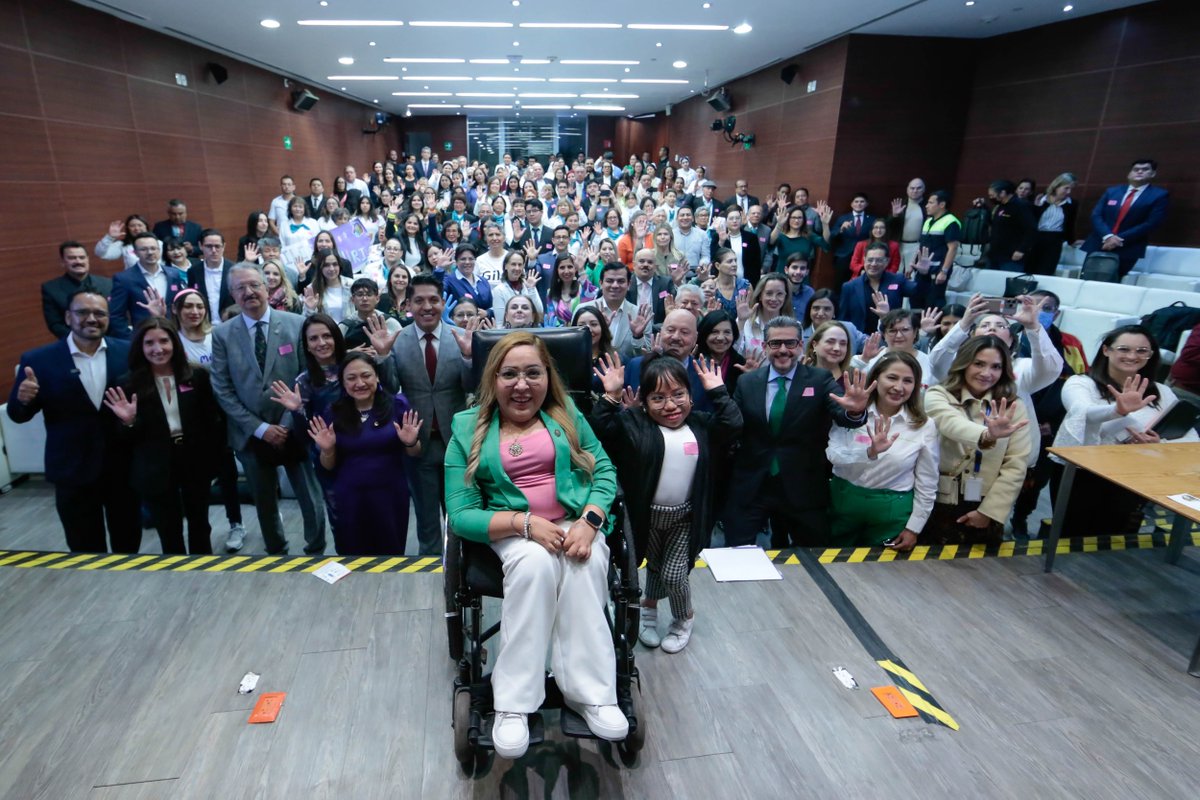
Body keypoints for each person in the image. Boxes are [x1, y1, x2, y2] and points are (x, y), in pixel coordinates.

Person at [444, 332, 626, 759]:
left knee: (586, 563)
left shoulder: (567, 415)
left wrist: (590, 521)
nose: (521, 385)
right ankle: (513, 704)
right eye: (510, 374)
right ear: (493, 379)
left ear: (548, 377)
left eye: (532, 373)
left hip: (574, 521)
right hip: (513, 529)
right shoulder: (466, 428)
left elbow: (604, 471)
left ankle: (592, 694)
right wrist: (525, 524)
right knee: (534, 566)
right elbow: (462, 513)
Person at [591, 353, 743, 653]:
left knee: (674, 574)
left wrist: (718, 391)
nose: (671, 405)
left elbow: (733, 424)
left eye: (678, 395)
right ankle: (649, 606)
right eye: (658, 398)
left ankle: (684, 617)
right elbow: (598, 429)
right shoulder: (634, 422)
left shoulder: (701, 424)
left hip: (685, 518)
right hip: (645, 518)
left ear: (690, 395)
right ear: (644, 402)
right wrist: (610, 396)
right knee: (656, 568)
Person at [7, 290, 140, 552]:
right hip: (72, 469)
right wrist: (23, 399)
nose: (91, 319)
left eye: (99, 313)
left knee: (128, 542)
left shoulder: (127, 353)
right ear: (68, 317)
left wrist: (132, 421)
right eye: (82, 312)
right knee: (84, 548)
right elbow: (17, 415)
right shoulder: (38, 360)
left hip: (122, 467)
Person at [723, 316, 872, 548]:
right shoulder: (747, 382)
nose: (783, 350)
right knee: (737, 553)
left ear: (800, 346)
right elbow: (731, 427)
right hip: (753, 485)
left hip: (803, 486)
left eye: (790, 343)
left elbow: (843, 416)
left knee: (813, 558)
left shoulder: (820, 379)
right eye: (775, 344)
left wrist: (855, 412)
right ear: (765, 347)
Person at [210, 263, 327, 555]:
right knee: (264, 500)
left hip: (293, 428)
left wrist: (287, 423)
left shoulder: (295, 323)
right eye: (240, 288)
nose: (249, 292)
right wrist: (260, 429)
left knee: (310, 498)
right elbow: (222, 389)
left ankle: (315, 548)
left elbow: (306, 377)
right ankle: (276, 551)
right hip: (250, 433)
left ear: (267, 287)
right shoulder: (222, 334)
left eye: (254, 285)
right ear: (232, 295)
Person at [1052, 324, 1199, 538]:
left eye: (1142, 351)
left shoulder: (1162, 391)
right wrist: (1117, 410)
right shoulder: (1081, 383)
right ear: (1106, 350)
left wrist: (1159, 445)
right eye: (1123, 349)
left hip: (1135, 474)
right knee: (1073, 532)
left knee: (1115, 533)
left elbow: (1189, 438)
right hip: (1082, 475)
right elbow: (1083, 413)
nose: (1132, 356)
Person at [367, 273, 477, 555]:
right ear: (408, 305)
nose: (427, 307)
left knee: (462, 514)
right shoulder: (398, 340)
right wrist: (381, 357)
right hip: (417, 443)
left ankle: (463, 569)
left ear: (443, 303)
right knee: (427, 519)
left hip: (458, 443)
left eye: (433, 300)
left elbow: (471, 387)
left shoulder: (459, 337)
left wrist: (468, 358)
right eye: (419, 301)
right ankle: (429, 574)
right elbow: (390, 388)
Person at [103, 318, 223, 555]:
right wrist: (128, 422)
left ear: (174, 343)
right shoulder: (127, 384)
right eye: (149, 343)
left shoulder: (197, 376)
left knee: (200, 522)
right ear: (140, 347)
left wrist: (214, 461)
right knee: (168, 528)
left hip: (194, 459)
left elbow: (213, 422)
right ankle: (175, 575)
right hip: (154, 464)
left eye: (164, 341)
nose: (158, 349)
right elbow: (121, 439)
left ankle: (204, 570)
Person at [306, 354, 422, 555]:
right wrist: (327, 449)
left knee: (391, 555)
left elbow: (414, 452)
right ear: (343, 382)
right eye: (351, 378)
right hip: (350, 498)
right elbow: (328, 465)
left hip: (390, 496)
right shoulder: (333, 412)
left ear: (377, 377)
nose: (359, 383)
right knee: (352, 556)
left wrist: (410, 441)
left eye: (366, 375)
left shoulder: (397, 405)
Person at [922, 336, 1031, 545]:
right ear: (964, 363)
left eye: (996, 367)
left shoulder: (1012, 406)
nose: (986, 373)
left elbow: (1016, 464)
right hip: (939, 499)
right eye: (979, 364)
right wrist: (987, 436)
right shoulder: (938, 395)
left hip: (987, 502)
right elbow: (950, 423)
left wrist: (990, 512)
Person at [826, 351, 938, 550]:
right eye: (892, 378)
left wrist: (914, 527)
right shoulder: (852, 412)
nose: (898, 387)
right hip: (843, 501)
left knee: (883, 574)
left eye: (908, 381)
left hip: (892, 511)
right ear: (876, 378)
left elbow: (927, 481)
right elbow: (833, 456)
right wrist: (870, 452)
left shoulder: (924, 425)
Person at [173, 288, 246, 548]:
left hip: (223, 413)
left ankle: (236, 523)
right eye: (188, 307)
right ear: (177, 311)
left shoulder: (217, 335)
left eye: (199, 306)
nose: (194, 312)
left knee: (228, 472)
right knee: (197, 478)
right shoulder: (173, 340)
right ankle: (198, 528)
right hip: (191, 419)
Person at [1081, 159, 1169, 278]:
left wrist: (1119, 239)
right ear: (1129, 173)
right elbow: (1096, 215)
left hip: (1128, 246)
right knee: (1087, 280)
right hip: (1100, 243)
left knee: (1113, 283)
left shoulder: (1159, 195)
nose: (1139, 172)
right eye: (1136, 169)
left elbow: (1151, 223)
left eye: (1145, 169)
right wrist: (1108, 236)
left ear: (1153, 174)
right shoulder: (1112, 191)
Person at [108, 232, 188, 339]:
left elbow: (179, 306)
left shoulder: (174, 274)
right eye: (143, 249)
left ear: (159, 250)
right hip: (143, 338)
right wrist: (130, 338)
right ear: (135, 252)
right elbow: (116, 315)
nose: (150, 252)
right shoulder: (124, 279)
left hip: (175, 335)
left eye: (153, 248)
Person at [575, 262, 652, 359]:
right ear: (601, 283)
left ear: (628, 284)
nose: (615, 285)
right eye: (610, 281)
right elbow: (574, 348)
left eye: (620, 281)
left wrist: (637, 337)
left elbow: (646, 358)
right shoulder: (583, 311)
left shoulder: (640, 315)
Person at [839, 242, 916, 335]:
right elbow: (842, 320)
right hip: (859, 340)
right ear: (864, 260)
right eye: (870, 260)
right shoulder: (849, 287)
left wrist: (924, 274)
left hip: (890, 337)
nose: (874, 264)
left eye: (879, 260)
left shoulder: (897, 280)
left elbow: (919, 293)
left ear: (887, 261)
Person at [43, 241, 113, 340]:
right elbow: (55, 324)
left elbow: (117, 316)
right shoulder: (51, 289)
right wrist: (81, 340)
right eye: (72, 258)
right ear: (62, 262)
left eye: (82, 257)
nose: (78, 261)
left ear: (88, 260)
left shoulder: (107, 283)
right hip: (75, 343)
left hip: (110, 340)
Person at [910, 190, 961, 310]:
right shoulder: (928, 221)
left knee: (933, 303)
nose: (927, 206)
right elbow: (921, 245)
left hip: (937, 270)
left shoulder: (951, 221)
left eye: (930, 202)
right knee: (916, 299)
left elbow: (953, 248)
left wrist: (944, 271)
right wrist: (912, 264)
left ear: (942, 205)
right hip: (922, 269)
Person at [977, 180, 1035, 272]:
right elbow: (995, 224)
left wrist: (1021, 249)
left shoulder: (1020, 206)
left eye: (993, 195)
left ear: (1003, 193)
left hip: (1011, 256)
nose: (991, 198)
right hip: (995, 253)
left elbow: (1031, 229)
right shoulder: (1001, 206)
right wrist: (984, 208)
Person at [1028, 173, 1078, 276]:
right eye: (1066, 188)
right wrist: (1036, 207)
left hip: (1055, 240)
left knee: (1047, 270)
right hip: (1036, 238)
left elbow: (1070, 224)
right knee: (1030, 268)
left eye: (1071, 189)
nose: (1068, 192)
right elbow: (1030, 221)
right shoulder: (1041, 199)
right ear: (1056, 186)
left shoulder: (1072, 204)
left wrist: (1071, 241)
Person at [695, 310, 750, 393]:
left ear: (734, 335)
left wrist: (752, 378)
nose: (720, 338)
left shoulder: (741, 365)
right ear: (704, 334)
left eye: (727, 332)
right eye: (714, 332)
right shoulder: (693, 359)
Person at [830, 193, 876, 288]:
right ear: (852, 204)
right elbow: (832, 235)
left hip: (863, 257)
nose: (859, 204)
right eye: (856, 201)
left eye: (862, 202)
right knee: (840, 284)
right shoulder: (843, 218)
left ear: (866, 204)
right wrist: (841, 229)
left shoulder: (872, 220)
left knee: (860, 285)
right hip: (844, 256)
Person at [736, 273, 790, 354]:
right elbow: (733, 353)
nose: (774, 299)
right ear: (760, 296)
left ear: (786, 296)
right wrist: (741, 322)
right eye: (769, 293)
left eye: (780, 294)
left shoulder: (794, 326)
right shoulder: (745, 322)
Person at [188, 229, 235, 320]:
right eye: (209, 246)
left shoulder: (234, 270)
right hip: (203, 324)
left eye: (217, 246)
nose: (213, 250)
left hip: (230, 323)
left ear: (224, 246)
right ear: (200, 246)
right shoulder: (193, 272)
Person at [802, 289, 867, 354]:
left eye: (827, 309)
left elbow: (873, 345)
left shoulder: (849, 329)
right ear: (809, 310)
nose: (820, 313)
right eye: (816, 308)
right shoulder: (800, 335)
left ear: (834, 313)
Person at [301, 249, 356, 323]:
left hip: (349, 332)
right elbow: (304, 320)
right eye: (326, 265)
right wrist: (310, 309)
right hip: (325, 332)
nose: (331, 269)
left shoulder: (351, 284)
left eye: (335, 264)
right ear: (320, 267)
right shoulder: (312, 289)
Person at [491, 250, 544, 322]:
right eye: (513, 264)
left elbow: (540, 312)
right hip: (509, 332)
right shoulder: (499, 290)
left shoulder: (528, 286)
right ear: (506, 266)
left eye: (520, 265)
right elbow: (500, 322)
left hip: (529, 330)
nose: (517, 268)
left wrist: (531, 289)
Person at [443, 243, 494, 317]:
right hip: (459, 326)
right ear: (456, 261)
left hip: (483, 326)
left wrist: (487, 313)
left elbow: (491, 307)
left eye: (471, 259)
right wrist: (439, 269)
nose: (467, 262)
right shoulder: (449, 280)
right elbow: (437, 290)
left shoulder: (483, 281)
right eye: (463, 259)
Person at [804, 321, 853, 388]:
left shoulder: (854, 378)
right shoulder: (801, 375)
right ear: (814, 345)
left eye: (843, 343)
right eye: (830, 342)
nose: (837, 348)